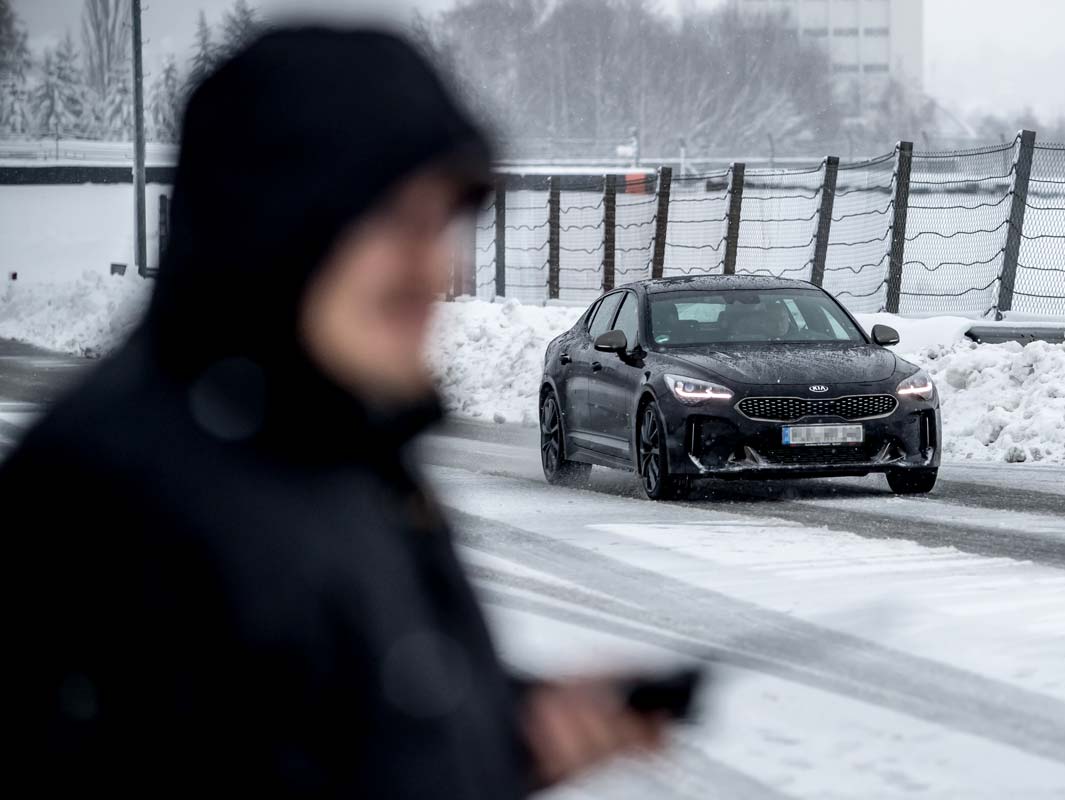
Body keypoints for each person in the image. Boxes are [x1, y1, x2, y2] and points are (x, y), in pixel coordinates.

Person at [1, 28, 666, 797]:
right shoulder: (107, 502)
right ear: (281, 218)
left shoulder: (343, 445)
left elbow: (328, 721)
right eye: (402, 226)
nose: (438, 269)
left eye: (443, 226)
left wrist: (510, 730)